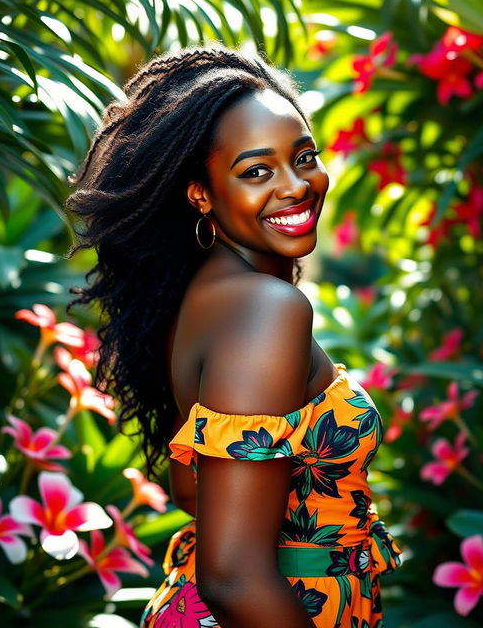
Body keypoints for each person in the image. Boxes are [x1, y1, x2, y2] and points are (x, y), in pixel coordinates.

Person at [65, 43, 402, 628]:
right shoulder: (265, 309)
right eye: (256, 171)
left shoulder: (203, 295)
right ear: (200, 192)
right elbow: (233, 576)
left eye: (304, 157)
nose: (296, 186)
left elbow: (195, 493)